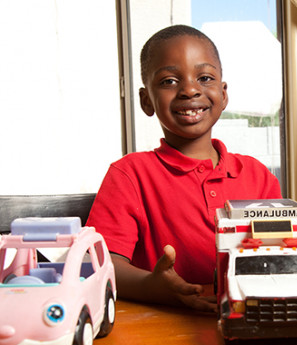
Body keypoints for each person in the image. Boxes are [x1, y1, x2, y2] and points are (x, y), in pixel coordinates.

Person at [87, 25, 281, 313]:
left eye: (204, 78)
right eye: (168, 81)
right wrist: (151, 287)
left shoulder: (258, 176)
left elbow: (279, 253)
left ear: (223, 94)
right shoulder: (130, 174)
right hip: (159, 330)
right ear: (146, 101)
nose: (190, 89)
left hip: (248, 319)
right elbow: (101, 266)